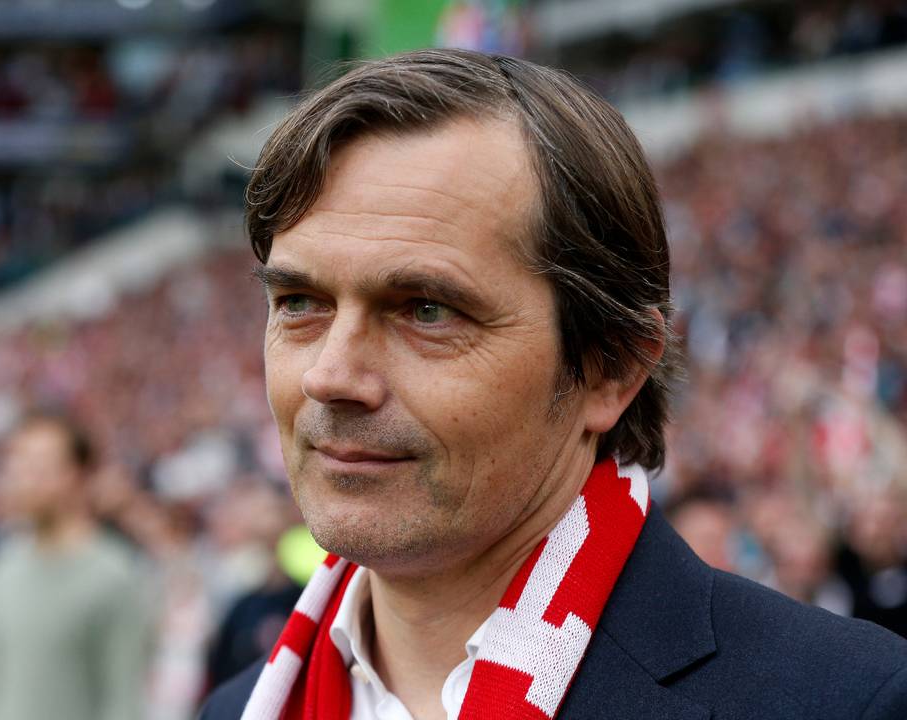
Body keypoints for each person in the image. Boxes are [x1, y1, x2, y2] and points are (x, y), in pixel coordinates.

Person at [202, 49, 907, 720]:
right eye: (299, 303)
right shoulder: (240, 706)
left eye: (427, 310)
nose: (330, 375)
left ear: (611, 368)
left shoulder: (846, 700)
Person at [0, 414, 152, 720]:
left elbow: (123, 701)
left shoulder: (112, 577)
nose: (20, 478)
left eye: (36, 465)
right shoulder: (2, 570)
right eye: (14, 463)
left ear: (78, 475)